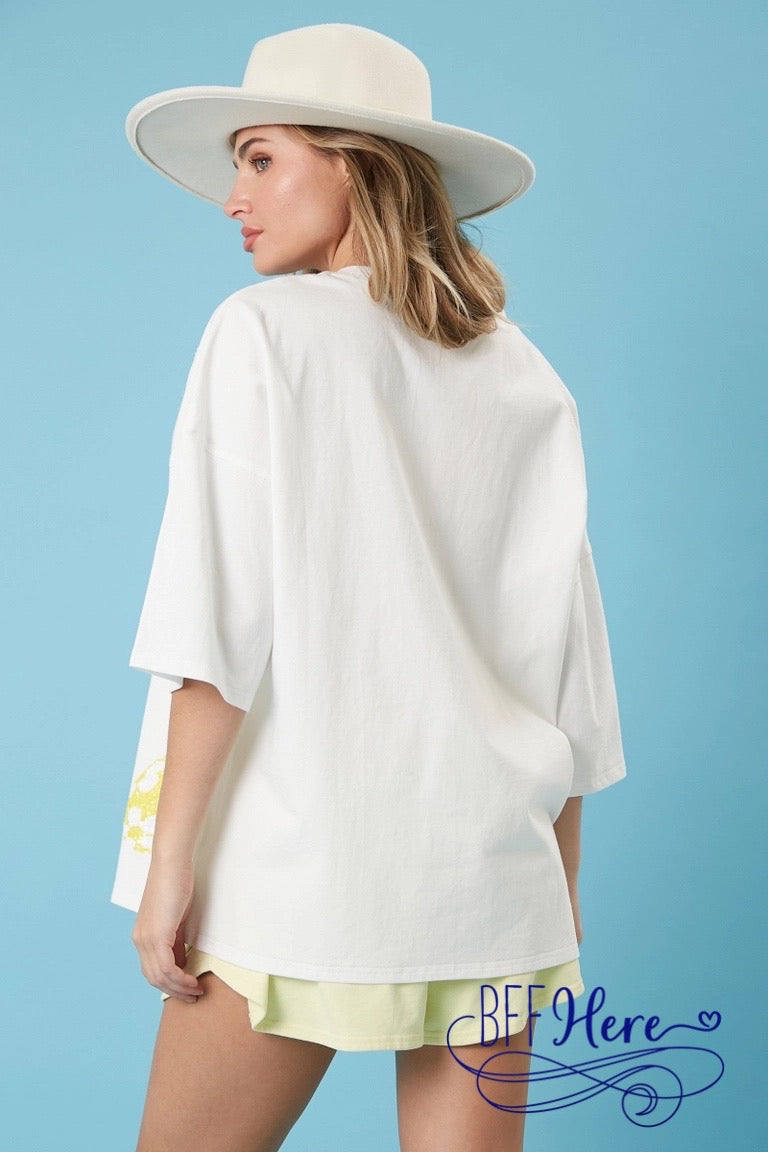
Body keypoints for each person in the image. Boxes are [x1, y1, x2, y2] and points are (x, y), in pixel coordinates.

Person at [110, 23, 627, 1152]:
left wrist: (167, 867)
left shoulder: (263, 331)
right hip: (494, 874)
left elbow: (215, 626)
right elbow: (569, 665)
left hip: (301, 862)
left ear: (356, 163)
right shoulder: (525, 371)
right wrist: (560, 892)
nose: (234, 198)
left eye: (260, 158)